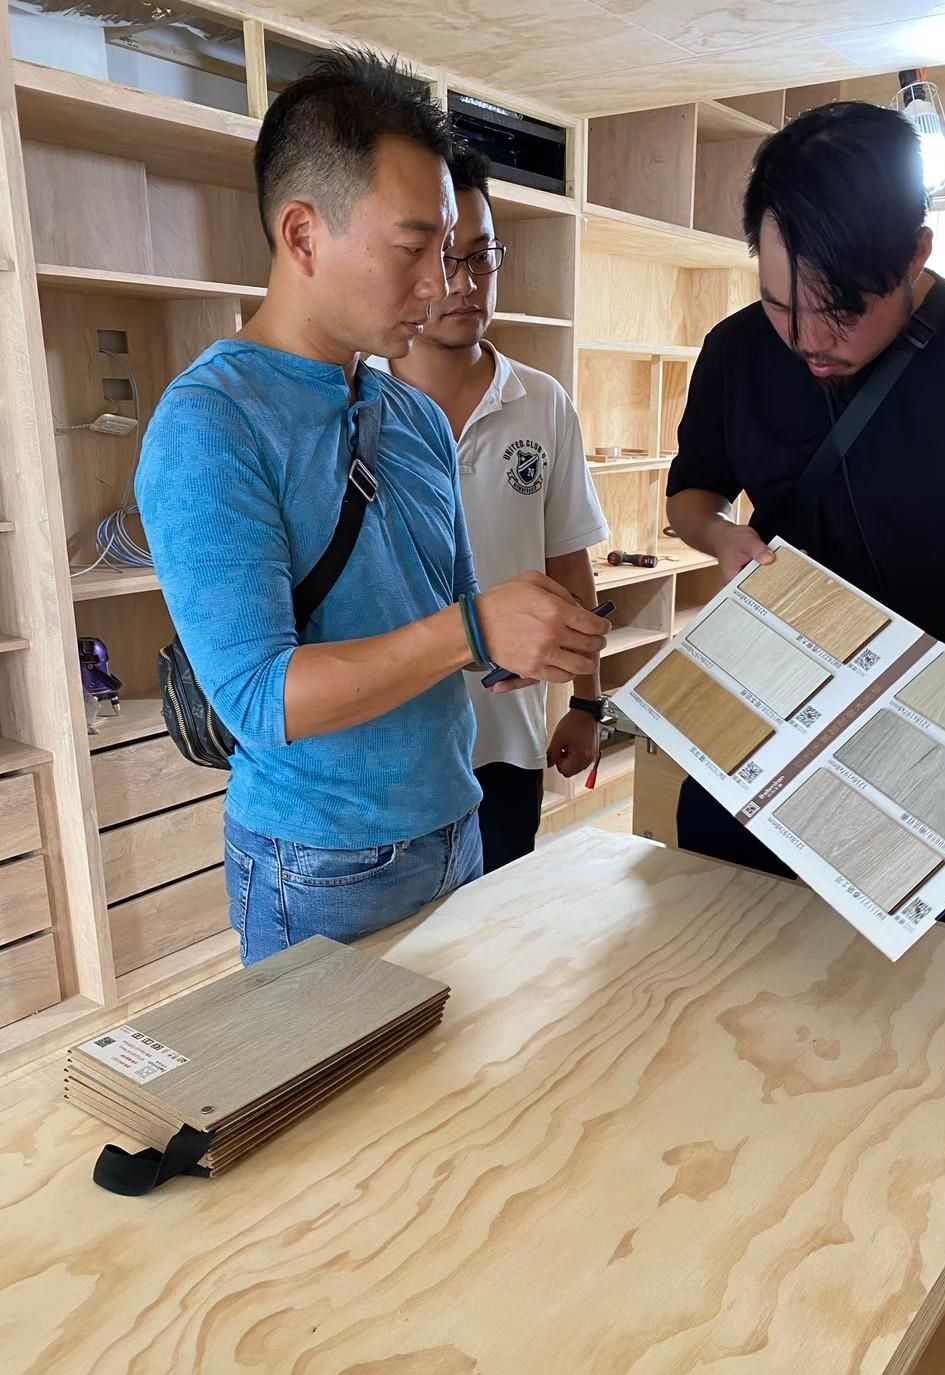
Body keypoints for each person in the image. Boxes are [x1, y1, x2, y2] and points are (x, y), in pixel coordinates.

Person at [135, 49, 609, 965]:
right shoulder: (211, 424)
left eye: (452, 248)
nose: (442, 284)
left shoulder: (410, 414)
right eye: (412, 248)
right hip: (318, 861)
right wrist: (473, 629)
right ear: (303, 235)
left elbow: (447, 613)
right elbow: (258, 696)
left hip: (456, 819)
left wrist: (526, 642)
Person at [666, 100, 945, 882]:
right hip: (759, 717)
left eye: (839, 311)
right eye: (778, 304)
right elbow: (692, 491)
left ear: (914, 254)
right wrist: (720, 533)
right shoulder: (736, 351)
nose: (806, 340)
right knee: (712, 916)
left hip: (925, 746)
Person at [371, 145, 609, 870]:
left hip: (508, 736)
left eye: (481, 256)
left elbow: (567, 562)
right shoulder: (355, 402)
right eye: (441, 257)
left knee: (500, 917)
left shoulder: (542, 401)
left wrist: (587, 702)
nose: (463, 283)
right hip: (390, 743)